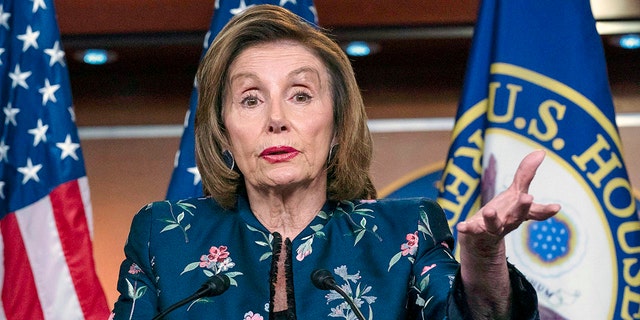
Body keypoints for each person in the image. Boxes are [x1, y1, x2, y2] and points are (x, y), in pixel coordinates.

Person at [111, 4, 560, 319]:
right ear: (222, 130)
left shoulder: (405, 233)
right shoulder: (165, 239)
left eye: (300, 95)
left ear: (339, 124)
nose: (276, 120)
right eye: (250, 99)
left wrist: (483, 259)